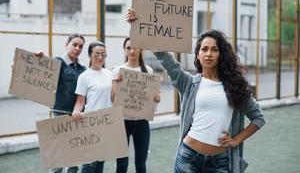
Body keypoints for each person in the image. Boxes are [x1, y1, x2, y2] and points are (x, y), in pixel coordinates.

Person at [126, 10, 265, 173]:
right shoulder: (188, 82)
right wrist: (137, 25)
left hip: (220, 162)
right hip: (188, 157)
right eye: (204, 49)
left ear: (222, 54)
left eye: (214, 49)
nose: (209, 54)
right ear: (197, 55)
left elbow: (258, 118)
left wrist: (236, 140)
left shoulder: (235, 86)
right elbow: (165, 58)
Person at [112, 37, 160, 173]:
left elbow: (152, 97)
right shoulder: (118, 70)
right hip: (122, 122)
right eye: (128, 48)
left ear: (141, 49)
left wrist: (156, 99)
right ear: (124, 50)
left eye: (135, 47)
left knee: (141, 164)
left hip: (142, 122)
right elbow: (112, 99)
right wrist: (117, 83)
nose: (132, 51)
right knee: (121, 165)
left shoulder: (148, 70)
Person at [42, 33, 85, 173]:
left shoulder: (83, 69)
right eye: (75, 44)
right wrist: (38, 58)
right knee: (58, 155)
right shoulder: (57, 62)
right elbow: (41, 70)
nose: (77, 48)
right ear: (66, 45)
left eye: (81, 46)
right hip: (59, 114)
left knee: (74, 156)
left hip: (78, 116)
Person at [72, 41, 114, 173]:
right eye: (97, 55)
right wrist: (75, 111)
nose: (100, 58)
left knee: (100, 161)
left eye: (103, 55)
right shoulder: (84, 77)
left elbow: (113, 98)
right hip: (90, 124)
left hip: (106, 123)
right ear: (90, 55)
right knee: (88, 163)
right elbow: (80, 101)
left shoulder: (109, 74)